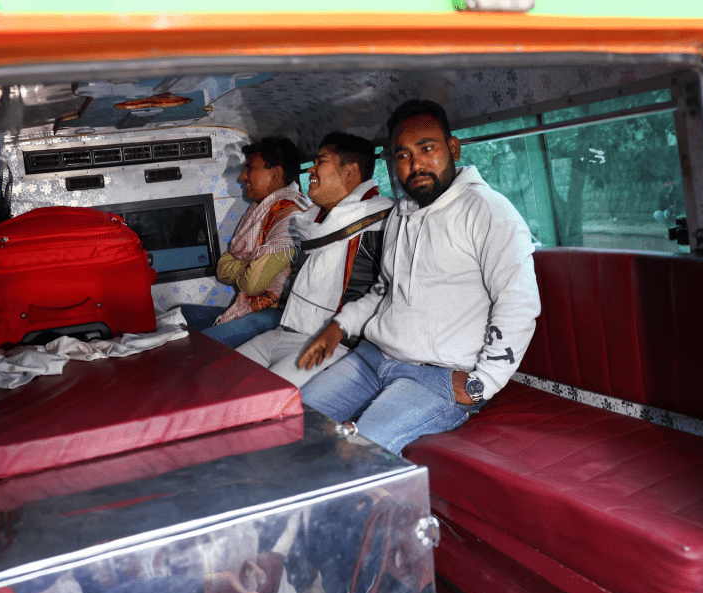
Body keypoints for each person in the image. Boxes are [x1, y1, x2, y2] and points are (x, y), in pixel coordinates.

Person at [298, 99, 541, 454]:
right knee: (297, 422)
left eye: (427, 149)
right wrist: (340, 327)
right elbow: (384, 287)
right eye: (403, 155)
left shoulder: (489, 212)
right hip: (373, 358)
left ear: (453, 147)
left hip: (435, 378)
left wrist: (483, 384)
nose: (415, 165)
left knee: (357, 455)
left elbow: (518, 304)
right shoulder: (401, 214)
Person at [234, 132, 395, 387]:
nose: (311, 169)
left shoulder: (383, 223)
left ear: (350, 172)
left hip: (335, 344)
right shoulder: (314, 222)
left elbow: (387, 294)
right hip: (287, 331)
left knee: (258, 394)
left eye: (321, 161)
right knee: (222, 377)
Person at [178, 137, 311, 348]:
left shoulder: (291, 216)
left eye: (250, 168)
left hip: (280, 312)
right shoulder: (259, 210)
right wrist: (250, 266)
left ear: (276, 173)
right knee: (181, 315)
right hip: (256, 305)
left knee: (203, 346)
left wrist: (244, 268)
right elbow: (222, 269)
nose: (243, 176)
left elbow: (254, 284)